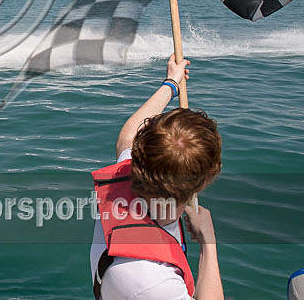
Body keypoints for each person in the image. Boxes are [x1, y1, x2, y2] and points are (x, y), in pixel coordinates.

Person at [89, 55, 224, 300]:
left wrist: (171, 83)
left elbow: (127, 139)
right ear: (205, 181)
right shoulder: (152, 281)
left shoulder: (126, 181)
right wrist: (208, 244)